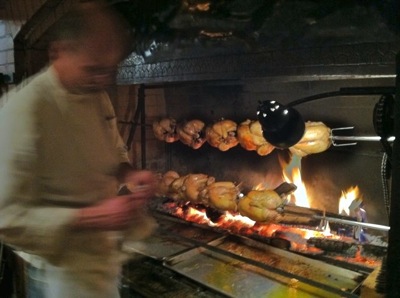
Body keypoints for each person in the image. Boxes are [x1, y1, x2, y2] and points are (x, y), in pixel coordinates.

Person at [0, 1, 157, 297]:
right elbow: (7, 218)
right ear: (58, 52)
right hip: (60, 276)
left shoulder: (94, 94)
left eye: (109, 71)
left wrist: (131, 173)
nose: (101, 81)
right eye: (93, 69)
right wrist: (95, 216)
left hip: (104, 259)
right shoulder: (23, 111)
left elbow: (113, 152)